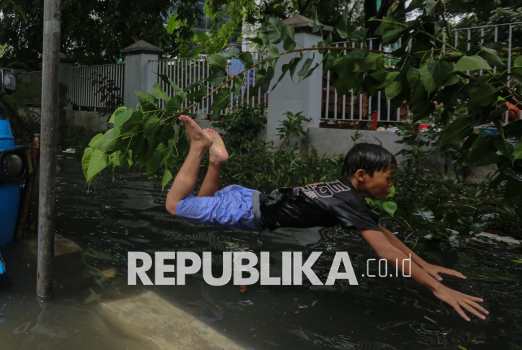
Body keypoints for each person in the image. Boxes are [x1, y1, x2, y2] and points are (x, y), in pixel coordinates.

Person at [166, 115, 489, 322]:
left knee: (203, 203)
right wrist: (438, 289)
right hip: (246, 210)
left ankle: (216, 161)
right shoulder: (349, 202)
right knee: (175, 205)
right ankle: (199, 147)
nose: (391, 186)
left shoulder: (343, 191)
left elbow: (383, 234)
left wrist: (423, 263)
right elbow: (385, 252)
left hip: (249, 197)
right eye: (388, 179)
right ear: (361, 176)